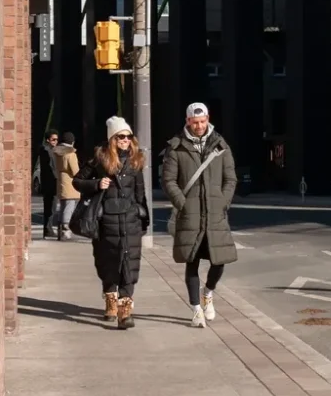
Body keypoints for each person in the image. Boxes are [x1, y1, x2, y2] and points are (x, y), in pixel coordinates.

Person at [161, 102, 237, 327]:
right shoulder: (176, 147)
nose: (199, 126)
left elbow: (230, 178)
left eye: (203, 122)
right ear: (187, 121)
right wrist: (182, 203)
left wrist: (223, 201)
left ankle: (208, 292)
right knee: (191, 261)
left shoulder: (221, 146)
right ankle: (196, 309)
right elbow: (168, 181)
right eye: (195, 123)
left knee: (219, 260)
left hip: (215, 213)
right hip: (190, 214)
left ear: (208, 119)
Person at [73, 116, 148, 330]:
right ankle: (110, 300)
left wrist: (144, 219)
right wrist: (97, 183)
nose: (125, 140)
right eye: (121, 137)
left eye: (128, 136)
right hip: (105, 221)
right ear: (112, 139)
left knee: (130, 264)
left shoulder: (135, 160)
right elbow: (77, 181)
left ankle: (125, 311)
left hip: (130, 220)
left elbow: (140, 193)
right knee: (108, 263)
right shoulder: (99, 159)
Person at [52, 131, 80, 240]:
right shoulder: (71, 154)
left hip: (61, 181)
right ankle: (65, 229)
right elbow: (75, 171)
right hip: (70, 183)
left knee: (63, 205)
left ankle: (60, 228)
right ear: (72, 142)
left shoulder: (57, 153)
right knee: (69, 205)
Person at [38, 129, 59, 239]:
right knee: (51, 207)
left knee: (49, 207)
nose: (55, 142)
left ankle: (47, 229)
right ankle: (48, 229)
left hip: (48, 183)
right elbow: (52, 168)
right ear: (48, 140)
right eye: (53, 139)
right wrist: (57, 178)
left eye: (56, 140)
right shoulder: (47, 151)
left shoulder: (47, 150)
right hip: (50, 183)